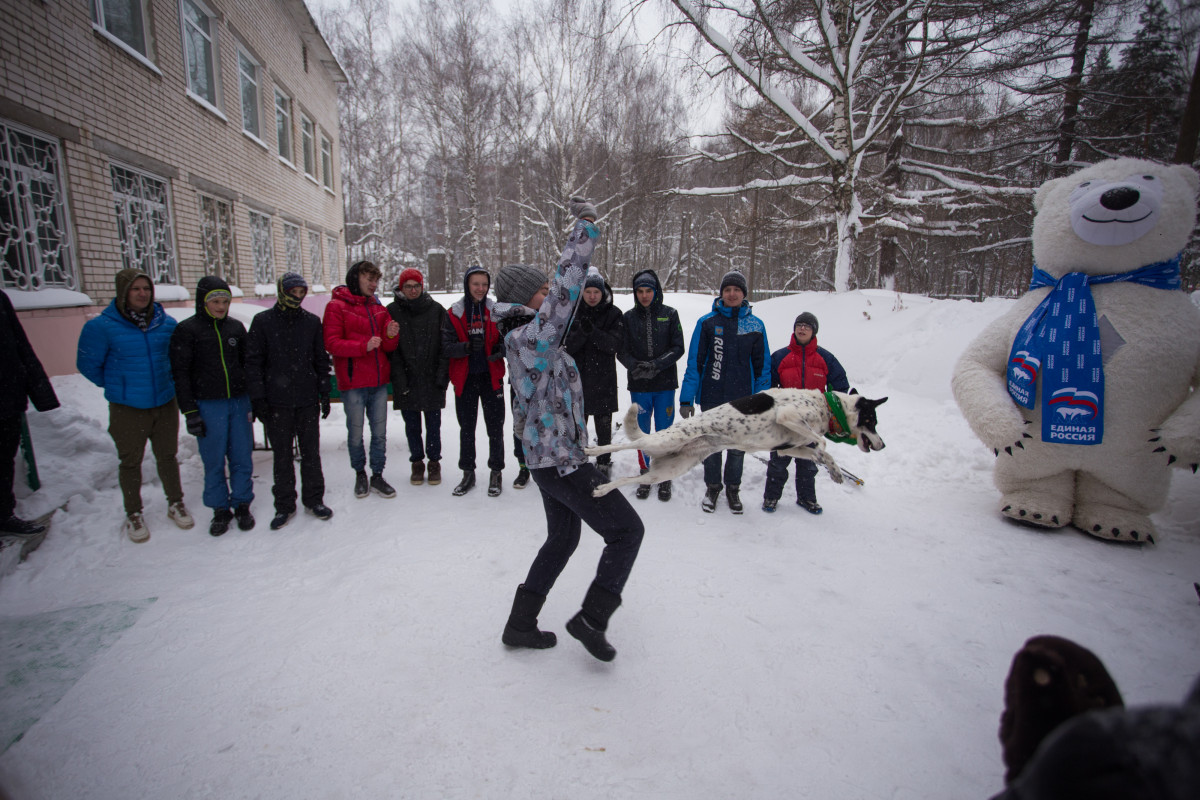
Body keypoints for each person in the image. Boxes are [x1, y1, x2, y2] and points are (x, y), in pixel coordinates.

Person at [497, 198, 645, 663]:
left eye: (548, 288)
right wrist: (584, 229)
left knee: (563, 538)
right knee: (627, 531)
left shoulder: (538, 341)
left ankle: (520, 623)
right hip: (558, 463)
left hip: (555, 459)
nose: (552, 295)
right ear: (525, 299)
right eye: (542, 290)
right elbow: (566, 293)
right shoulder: (528, 339)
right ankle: (592, 619)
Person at [77, 268, 192, 543]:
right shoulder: (101, 327)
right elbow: (87, 364)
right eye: (135, 289)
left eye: (146, 288)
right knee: (130, 461)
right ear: (123, 292)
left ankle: (175, 502)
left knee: (167, 455)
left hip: (164, 401)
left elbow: (177, 359)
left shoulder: (166, 324)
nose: (142, 294)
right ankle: (134, 512)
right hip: (127, 407)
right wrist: (119, 386)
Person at [245, 272, 334, 530]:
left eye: (301, 292)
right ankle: (284, 504)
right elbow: (253, 363)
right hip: (277, 402)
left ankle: (314, 499)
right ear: (282, 291)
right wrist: (259, 398)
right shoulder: (263, 322)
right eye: (292, 291)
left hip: (306, 399)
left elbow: (320, 360)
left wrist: (324, 392)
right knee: (282, 455)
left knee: (311, 453)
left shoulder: (310, 322)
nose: (297, 297)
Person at [679, 270, 770, 514]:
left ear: (744, 295)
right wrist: (687, 397)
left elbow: (763, 368)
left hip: (744, 400)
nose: (732, 294)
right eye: (727, 290)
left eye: (737, 290)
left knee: (737, 447)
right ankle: (713, 487)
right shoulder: (707, 323)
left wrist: (762, 400)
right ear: (721, 294)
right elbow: (695, 363)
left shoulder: (755, 325)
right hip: (712, 396)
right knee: (711, 446)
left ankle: (733, 489)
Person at [169, 276, 255, 536]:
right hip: (208, 405)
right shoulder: (187, 331)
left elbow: (247, 365)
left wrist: (253, 400)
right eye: (215, 301)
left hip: (239, 402)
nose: (221, 307)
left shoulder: (235, 328)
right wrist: (190, 411)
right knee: (214, 459)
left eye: (225, 301)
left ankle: (241, 503)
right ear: (202, 302)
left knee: (241, 456)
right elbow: (180, 374)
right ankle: (219, 508)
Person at [323, 260, 400, 499]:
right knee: (355, 433)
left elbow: (388, 346)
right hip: (353, 383)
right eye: (369, 279)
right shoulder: (336, 306)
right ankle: (360, 473)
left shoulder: (378, 307)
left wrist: (390, 334)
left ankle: (377, 474)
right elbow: (331, 343)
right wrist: (362, 346)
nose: (374, 284)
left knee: (379, 433)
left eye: (376, 280)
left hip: (378, 382)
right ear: (356, 278)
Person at [762, 312, 849, 515]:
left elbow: (840, 387)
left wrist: (829, 409)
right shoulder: (780, 356)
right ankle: (771, 497)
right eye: (799, 325)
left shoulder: (825, 358)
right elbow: (768, 385)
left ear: (813, 331)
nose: (802, 329)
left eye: (807, 327)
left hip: (812, 422)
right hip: (785, 420)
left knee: (809, 463)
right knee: (778, 461)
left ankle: (807, 498)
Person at [617, 268, 685, 501]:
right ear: (635, 293)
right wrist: (634, 365)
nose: (644, 295)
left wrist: (656, 365)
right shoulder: (628, 318)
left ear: (656, 292)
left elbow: (678, 348)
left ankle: (664, 475)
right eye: (640, 291)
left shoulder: (670, 314)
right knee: (642, 431)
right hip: (639, 386)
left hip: (665, 384)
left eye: (649, 291)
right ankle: (646, 472)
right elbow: (621, 350)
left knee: (665, 431)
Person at [442, 264, 507, 497]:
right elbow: (446, 347)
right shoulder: (455, 313)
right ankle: (468, 472)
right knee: (467, 429)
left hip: (491, 378)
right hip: (466, 378)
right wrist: (466, 347)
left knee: (495, 428)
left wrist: (500, 349)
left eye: (484, 284)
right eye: (475, 284)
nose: (480, 288)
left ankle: (496, 471)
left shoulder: (497, 311)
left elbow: (509, 338)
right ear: (467, 285)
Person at [0, 289, 60, 537]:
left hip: (6, 398)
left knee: (4, 460)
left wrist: (40, 392)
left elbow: (19, 345)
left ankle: (4, 515)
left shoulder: (1, 299)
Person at [386, 268, 449, 487]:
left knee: (433, 425)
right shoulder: (392, 311)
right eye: (408, 286)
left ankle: (433, 463)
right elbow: (391, 351)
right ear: (401, 288)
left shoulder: (436, 310)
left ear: (422, 287)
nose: (412, 290)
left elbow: (445, 346)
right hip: (407, 378)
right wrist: (400, 381)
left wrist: (442, 376)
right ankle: (417, 462)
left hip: (432, 378)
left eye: (416, 286)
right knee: (412, 425)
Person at [564, 271, 624, 479]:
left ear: (602, 292)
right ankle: (579, 459)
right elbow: (568, 346)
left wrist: (593, 332)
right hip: (578, 379)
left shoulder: (614, 313)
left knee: (604, 425)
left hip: (604, 378)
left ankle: (604, 460)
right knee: (578, 425)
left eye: (596, 291)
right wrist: (582, 331)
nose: (592, 296)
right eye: (587, 291)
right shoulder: (573, 312)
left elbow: (614, 345)